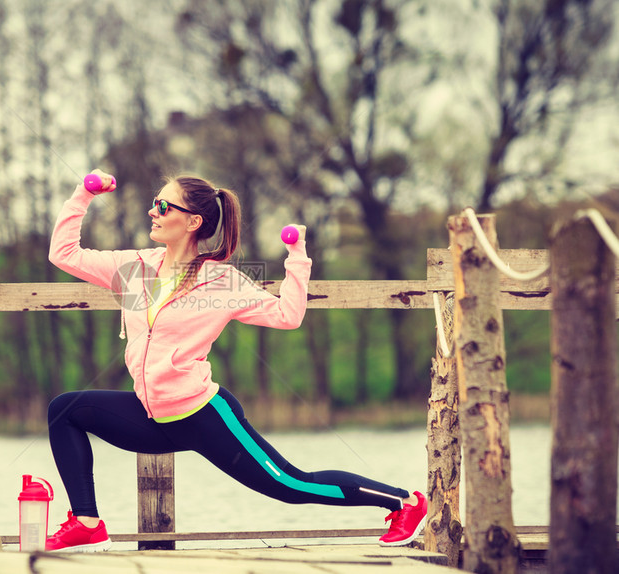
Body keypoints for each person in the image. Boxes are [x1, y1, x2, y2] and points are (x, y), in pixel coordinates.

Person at [45, 169, 427, 552]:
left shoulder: (221, 283)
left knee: (290, 485)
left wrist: (296, 257)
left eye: (163, 205)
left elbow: (287, 316)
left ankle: (404, 502)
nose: (152, 211)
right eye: (154, 203)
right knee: (65, 410)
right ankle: (86, 522)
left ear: (192, 221)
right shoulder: (135, 268)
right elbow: (62, 254)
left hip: (203, 415)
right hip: (152, 416)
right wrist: (84, 193)